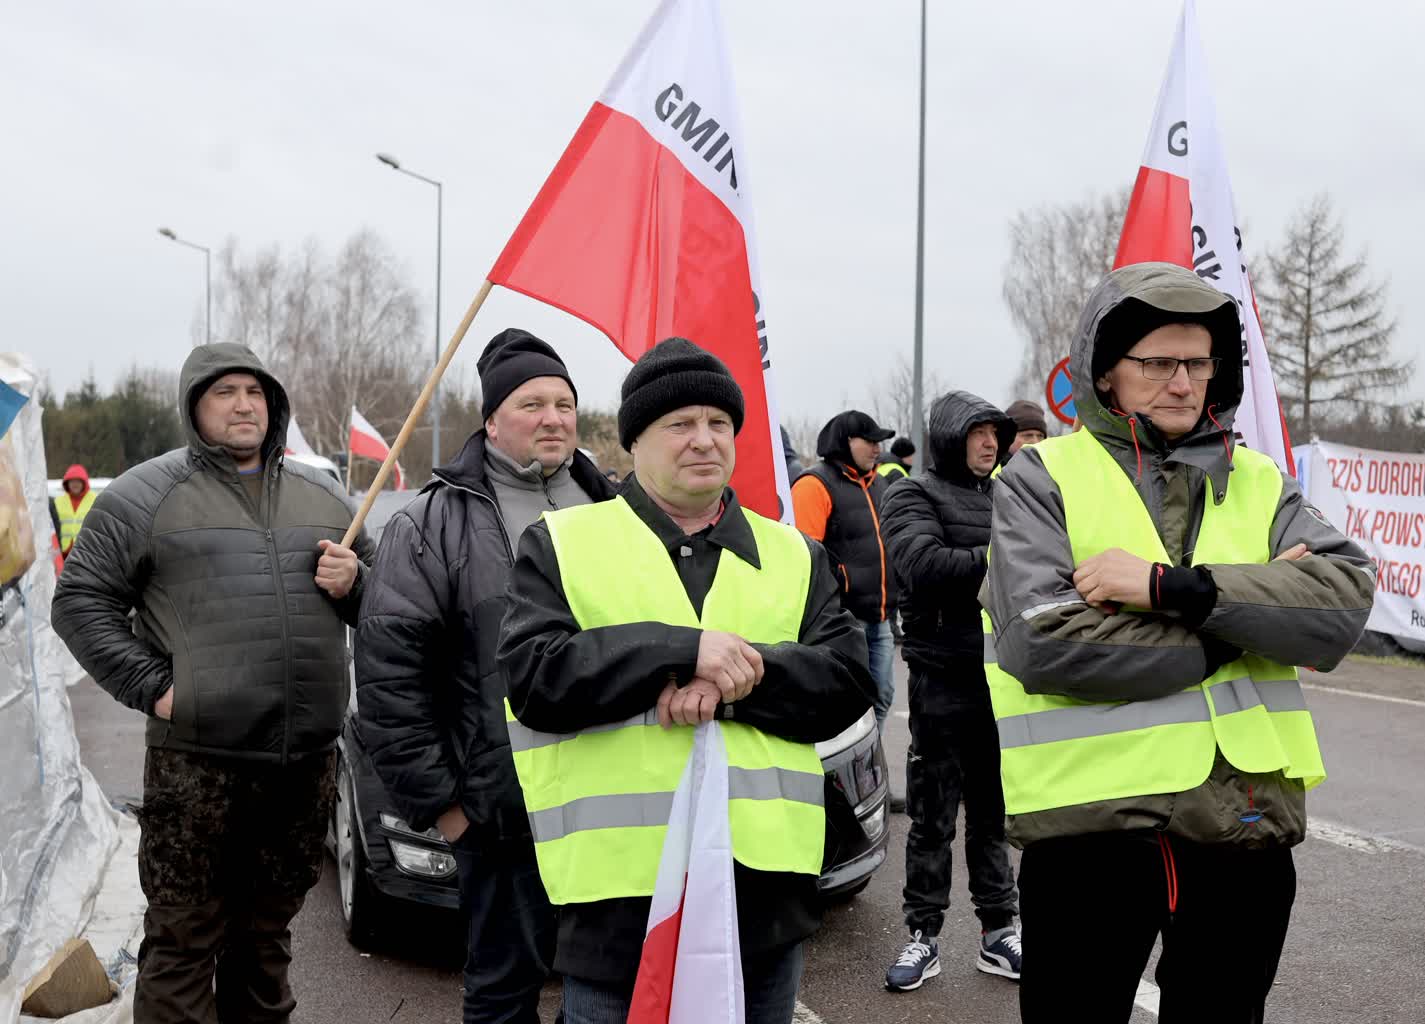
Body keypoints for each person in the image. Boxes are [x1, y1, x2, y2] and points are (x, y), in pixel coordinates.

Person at [981, 263, 1375, 1023]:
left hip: (1244, 824)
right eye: (1156, 363)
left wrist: (1172, 590)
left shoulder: (1259, 481)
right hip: (1091, 833)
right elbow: (1044, 647)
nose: (1181, 382)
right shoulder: (1042, 476)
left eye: (1197, 363)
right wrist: (1237, 631)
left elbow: (1338, 608)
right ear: (1105, 371)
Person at [499, 337, 876, 1024]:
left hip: (761, 897)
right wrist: (680, 652)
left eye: (718, 424)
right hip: (619, 898)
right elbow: (535, 678)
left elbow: (847, 682)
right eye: (679, 424)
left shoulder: (793, 554)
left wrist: (732, 684)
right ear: (633, 442)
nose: (703, 440)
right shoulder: (563, 542)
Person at [52, 343, 374, 1024]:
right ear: (194, 405)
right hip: (197, 765)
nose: (242, 404)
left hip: (299, 766)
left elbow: (388, 604)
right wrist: (159, 689)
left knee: (264, 942)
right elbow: (79, 602)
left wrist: (359, 585)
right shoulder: (146, 494)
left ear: (273, 404)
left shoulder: (326, 497)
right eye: (224, 391)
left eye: (254, 392)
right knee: (184, 941)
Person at [355, 328, 614, 1024]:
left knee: (607, 991)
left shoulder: (621, 513)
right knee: (503, 992)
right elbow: (389, 681)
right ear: (491, 420)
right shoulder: (431, 525)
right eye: (532, 403)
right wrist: (447, 808)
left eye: (564, 403)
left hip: (614, 807)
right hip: (501, 817)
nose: (554, 418)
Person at [880, 390, 1022, 992]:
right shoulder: (911, 492)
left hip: (1003, 681)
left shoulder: (1009, 495)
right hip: (940, 680)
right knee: (932, 816)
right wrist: (1012, 562)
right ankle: (923, 936)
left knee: (993, 814)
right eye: (978, 432)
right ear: (948, 436)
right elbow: (923, 564)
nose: (991, 443)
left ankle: (999, 932)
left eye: (996, 433)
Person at [791, 410, 898, 727]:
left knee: (883, 697)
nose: (877, 448)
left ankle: (866, 773)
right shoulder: (814, 485)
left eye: (879, 441)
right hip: (843, 621)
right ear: (844, 442)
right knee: (848, 709)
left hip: (881, 618)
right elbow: (803, 556)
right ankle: (840, 774)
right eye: (869, 440)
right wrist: (841, 586)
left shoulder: (879, 485)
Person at [53, 462, 95, 559]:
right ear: (67, 484)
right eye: (72, 481)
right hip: (63, 554)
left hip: (86, 552)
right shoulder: (58, 502)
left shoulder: (95, 500)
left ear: (84, 483)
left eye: (78, 481)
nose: (75, 484)